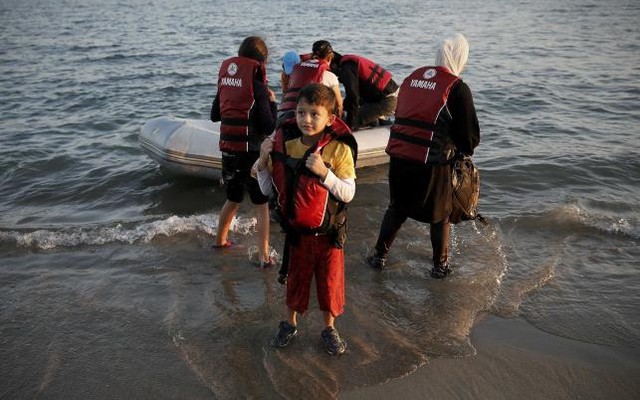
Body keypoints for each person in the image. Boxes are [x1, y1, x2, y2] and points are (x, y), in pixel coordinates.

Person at [255, 84, 357, 355]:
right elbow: (267, 190)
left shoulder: (338, 150)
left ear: (330, 119)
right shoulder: (286, 146)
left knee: (330, 285)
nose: (306, 119)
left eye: (314, 114)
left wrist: (325, 173)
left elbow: (348, 193)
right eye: (301, 112)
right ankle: (290, 324)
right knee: (295, 283)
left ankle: (329, 328)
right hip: (297, 236)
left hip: (329, 236)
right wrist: (262, 160)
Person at [367, 33, 480, 279]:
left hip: (398, 159)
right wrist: (461, 151)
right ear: (461, 58)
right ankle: (440, 267)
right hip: (432, 164)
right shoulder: (458, 88)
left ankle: (378, 256)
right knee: (440, 216)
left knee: (397, 208)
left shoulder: (412, 78)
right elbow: (470, 137)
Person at [210, 36, 277, 268]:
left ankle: (220, 241)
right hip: (252, 154)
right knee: (261, 204)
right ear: (262, 62)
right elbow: (269, 126)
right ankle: (263, 255)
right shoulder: (259, 87)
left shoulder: (226, 83)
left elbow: (214, 116)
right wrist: (272, 103)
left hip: (228, 151)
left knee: (233, 198)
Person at [322, 41, 399, 130]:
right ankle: (376, 121)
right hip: (381, 96)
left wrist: (349, 125)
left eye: (329, 70)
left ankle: (378, 124)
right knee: (350, 111)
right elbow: (354, 97)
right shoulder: (348, 64)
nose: (332, 74)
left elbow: (353, 97)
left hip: (387, 99)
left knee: (349, 121)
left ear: (332, 63)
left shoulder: (347, 69)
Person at [277, 42, 343, 125]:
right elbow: (339, 104)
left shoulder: (297, 69)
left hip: (282, 115)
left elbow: (285, 95)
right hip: (303, 119)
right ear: (330, 57)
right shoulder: (330, 75)